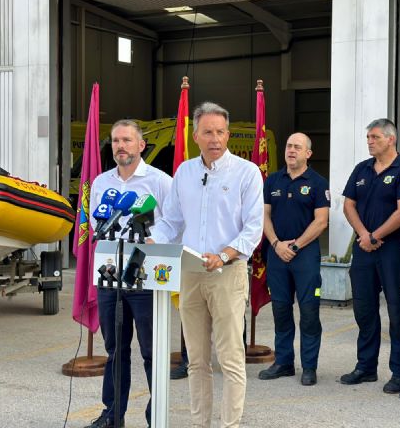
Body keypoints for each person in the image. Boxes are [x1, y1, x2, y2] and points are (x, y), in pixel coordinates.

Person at [149, 102, 263, 428]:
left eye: (221, 132)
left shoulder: (246, 172)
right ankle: (201, 423)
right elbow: (170, 221)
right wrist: (152, 241)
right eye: (208, 132)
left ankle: (230, 425)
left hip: (227, 272)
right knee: (196, 362)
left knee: (230, 360)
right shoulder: (184, 172)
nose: (215, 138)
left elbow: (253, 227)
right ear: (195, 135)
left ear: (228, 135)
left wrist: (225, 254)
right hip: (190, 273)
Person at [86, 120, 173, 428]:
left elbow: (175, 222)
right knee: (115, 351)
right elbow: (98, 223)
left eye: (126, 140)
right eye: (115, 141)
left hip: (145, 275)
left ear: (141, 146)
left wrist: (155, 239)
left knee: (151, 351)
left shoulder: (160, 181)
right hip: (111, 274)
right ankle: (112, 416)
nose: (120, 146)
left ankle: (156, 417)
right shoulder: (101, 182)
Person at [340, 118, 400, 394]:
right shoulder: (362, 169)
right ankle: (366, 367)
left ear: (390, 139)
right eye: (368, 138)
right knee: (364, 310)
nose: (369, 142)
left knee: (398, 312)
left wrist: (376, 236)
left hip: (393, 252)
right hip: (364, 250)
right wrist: (364, 234)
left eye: (374, 137)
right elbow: (348, 204)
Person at [258, 132, 330, 386]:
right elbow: (264, 216)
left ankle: (309, 367)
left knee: (309, 312)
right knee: (281, 310)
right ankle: (284, 362)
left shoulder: (319, 183)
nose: (291, 150)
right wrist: (277, 244)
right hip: (277, 253)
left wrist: (296, 246)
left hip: (305, 255)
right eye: (289, 146)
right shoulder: (273, 180)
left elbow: (321, 221)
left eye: (297, 147)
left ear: (308, 153)